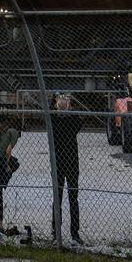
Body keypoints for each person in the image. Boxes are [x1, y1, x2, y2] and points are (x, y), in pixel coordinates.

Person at [51, 95, 82, 243]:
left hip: (58, 162)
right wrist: (69, 108)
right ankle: (74, 233)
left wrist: (58, 107)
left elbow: (52, 116)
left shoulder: (53, 120)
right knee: (73, 198)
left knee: (58, 198)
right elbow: (78, 123)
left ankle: (55, 231)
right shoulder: (73, 120)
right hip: (71, 162)